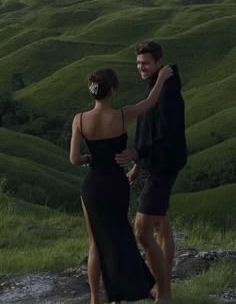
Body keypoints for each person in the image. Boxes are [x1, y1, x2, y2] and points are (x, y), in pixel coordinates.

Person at [70, 65, 173, 304]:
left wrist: (89, 158)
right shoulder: (122, 116)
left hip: (92, 186)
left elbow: (74, 159)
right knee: (119, 236)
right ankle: (125, 290)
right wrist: (162, 78)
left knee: (95, 242)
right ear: (113, 90)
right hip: (116, 183)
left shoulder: (80, 120)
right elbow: (150, 102)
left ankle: (95, 299)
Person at [115, 42, 187, 304]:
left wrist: (137, 153)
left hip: (163, 167)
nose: (140, 68)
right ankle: (162, 285)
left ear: (158, 63)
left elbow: (166, 136)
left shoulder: (168, 93)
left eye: (145, 63)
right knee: (160, 224)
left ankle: (163, 294)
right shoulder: (159, 87)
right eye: (137, 63)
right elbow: (149, 128)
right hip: (154, 163)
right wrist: (137, 166)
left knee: (142, 231)